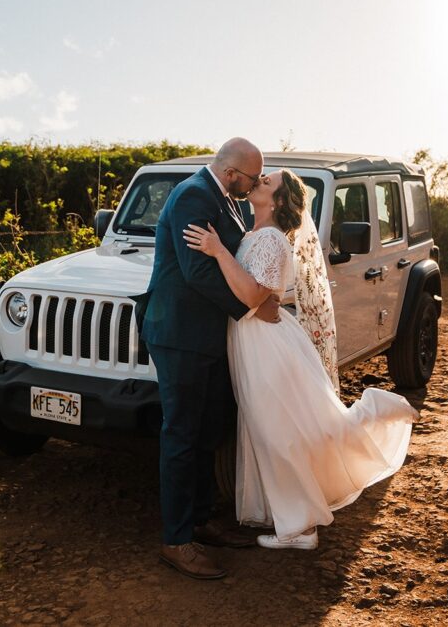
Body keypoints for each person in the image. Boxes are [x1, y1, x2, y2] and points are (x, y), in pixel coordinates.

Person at [183, 169, 419, 550]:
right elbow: (258, 296)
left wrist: (217, 251)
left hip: (267, 346)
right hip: (252, 340)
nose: (258, 181)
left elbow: (251, 296)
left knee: (277, 432)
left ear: (277, 201)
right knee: (281, 430)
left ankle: (300, 527)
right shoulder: (253, 234)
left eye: (266, 182)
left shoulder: (273, 239)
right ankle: (298, 522)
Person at [133, 137, 281, 580]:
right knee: (180, 435)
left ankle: (201, 519)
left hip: (209, 335)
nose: (254, 184)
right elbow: (197, 271)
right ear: (233, 173)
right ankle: (177, 541)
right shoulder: (193, 195)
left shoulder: (225, 198)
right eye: (253, 178)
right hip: (179, 332)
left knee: (207, 429)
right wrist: (253, 307)